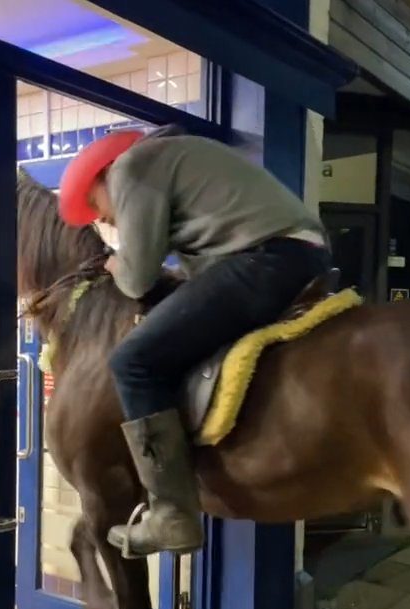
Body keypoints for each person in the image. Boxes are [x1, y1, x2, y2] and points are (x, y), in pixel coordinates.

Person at [58, 124, 331, 558]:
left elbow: (137, 278)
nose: (103, 218)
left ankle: (170, 514)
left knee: (133, 361)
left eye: (96, 205)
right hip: (293, 255)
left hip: (264, 260)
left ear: (103, 175)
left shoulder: (131, 168)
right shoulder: (177, 160)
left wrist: (116, 265)